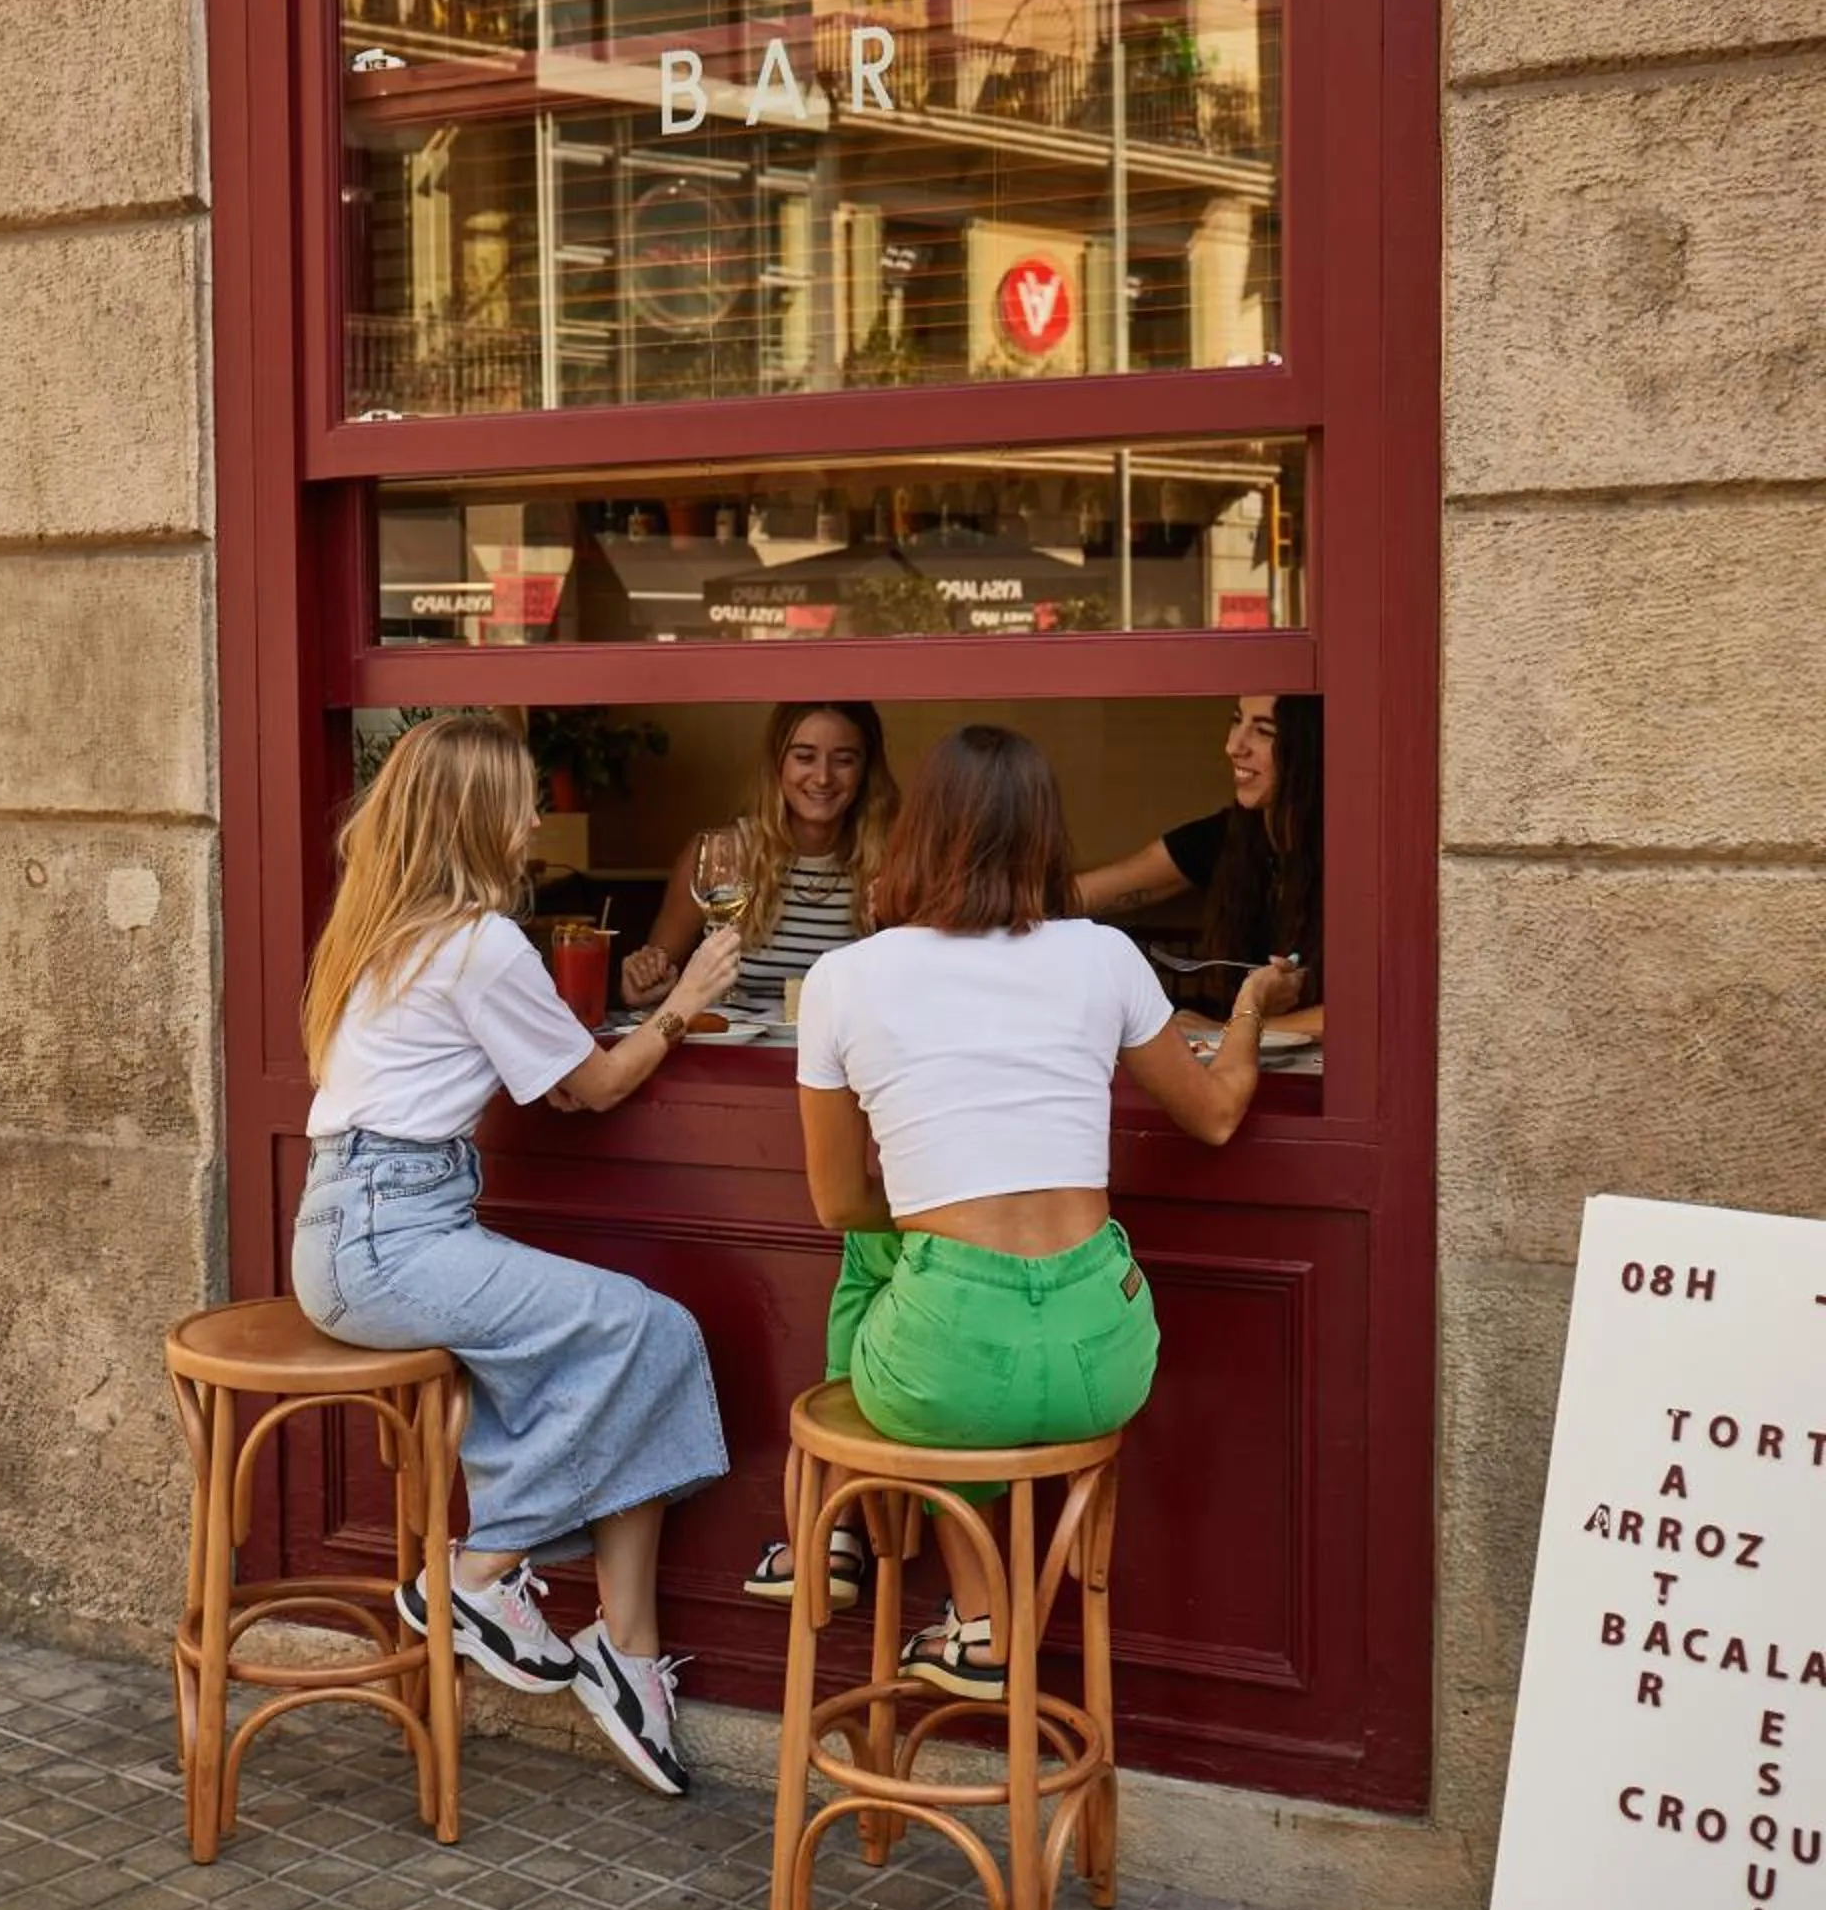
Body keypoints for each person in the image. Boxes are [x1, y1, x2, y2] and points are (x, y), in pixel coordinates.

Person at [775, 723, 1297, 1689]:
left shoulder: (847, 978)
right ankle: (973, 1620)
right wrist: (1254, 1005)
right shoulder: (1104, 957)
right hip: (1108, 1358)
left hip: (942, 1372)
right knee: (938, 1315)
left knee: (880, 1254)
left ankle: (851, 1539)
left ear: (918, 830)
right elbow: (1218, 1115)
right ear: (1047, 837)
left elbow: (838, 1199)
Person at [290, 714, 742, 1797]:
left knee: (637, 1354)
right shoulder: (477, 940)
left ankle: (626, 1658)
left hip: (370, 1221)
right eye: (523, 799)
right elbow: (585, 1088)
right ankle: (479, 1573)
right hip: (389, 1235)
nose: (539, 818)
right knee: (655, 1329)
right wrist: (682, 1006)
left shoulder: (386, 925)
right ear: (476, 815)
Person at [620, 702, 898, 1016]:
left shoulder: (890, 860)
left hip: (842, 1058)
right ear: (777, 764)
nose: (823, 777)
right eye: (804, 757)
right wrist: (645, 977)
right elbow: (658, 974)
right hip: (729, 1055)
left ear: (866, 770)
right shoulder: (721, 853)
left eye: (844, 760)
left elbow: (909, 988)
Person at [1076, 693, 1324, 1035]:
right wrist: (996, 907)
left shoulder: (1353, 856)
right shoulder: (1229, 836)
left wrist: (1232, 1030)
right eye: (1237, 721)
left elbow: (1372, 1011)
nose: (1234, 746)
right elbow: (1105, 888)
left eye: (1264, 731)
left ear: (1310, 747)